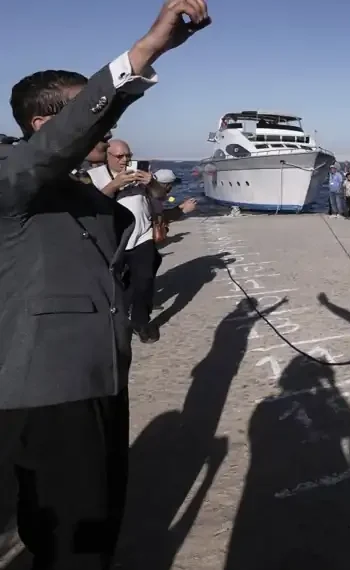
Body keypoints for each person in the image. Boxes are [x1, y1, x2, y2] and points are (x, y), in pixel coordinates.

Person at [0, 1, 208, 567]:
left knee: (91, 527)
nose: (109, 127)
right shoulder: (10, 173)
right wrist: (144, 54)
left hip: (100, 380)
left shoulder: (79, 189)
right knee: (73, 541)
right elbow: (43, 156)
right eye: (90, 115)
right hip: (46, 391)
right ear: (46, 126)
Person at [87, 139, 168, 342]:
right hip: (114, 240)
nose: (125, 161)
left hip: (142, 234)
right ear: (107, 156)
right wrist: (115, 185)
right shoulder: (94, 176)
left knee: (145, 280)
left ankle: (140, 322)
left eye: (128, 156)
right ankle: (117, 322)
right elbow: (89, 206)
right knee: (116, 286)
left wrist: (151, 182)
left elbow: (160, 196)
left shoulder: (140, 172)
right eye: (119, 156)